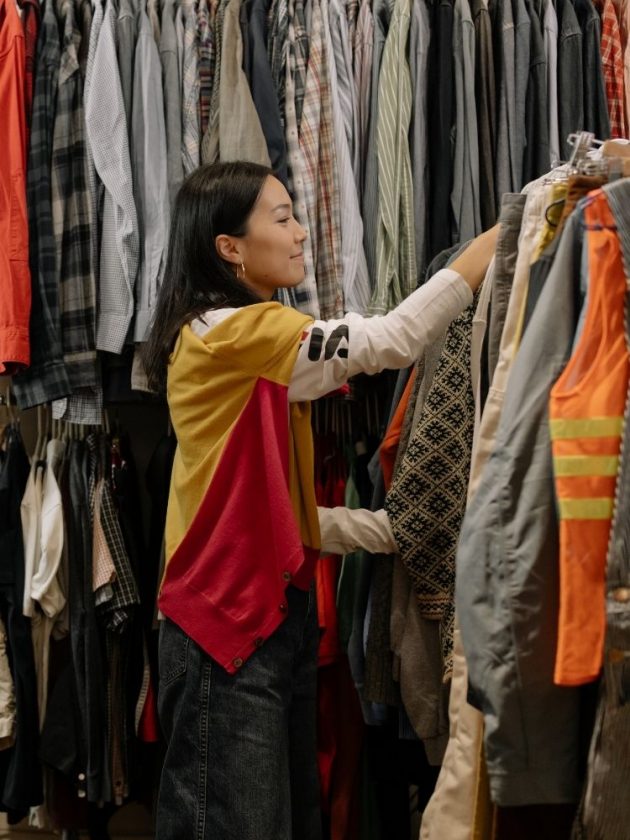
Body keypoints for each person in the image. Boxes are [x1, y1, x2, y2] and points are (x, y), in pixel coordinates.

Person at [143, 161, 498, 840]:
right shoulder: (232, 332)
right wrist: (492, 243)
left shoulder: (254, 342)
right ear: (229, 248)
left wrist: (394, 531)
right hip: (226, 625)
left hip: (268, 618)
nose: (303, 233)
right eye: (282, 219)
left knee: (279, 818)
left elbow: (279, 511)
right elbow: (391, 342)